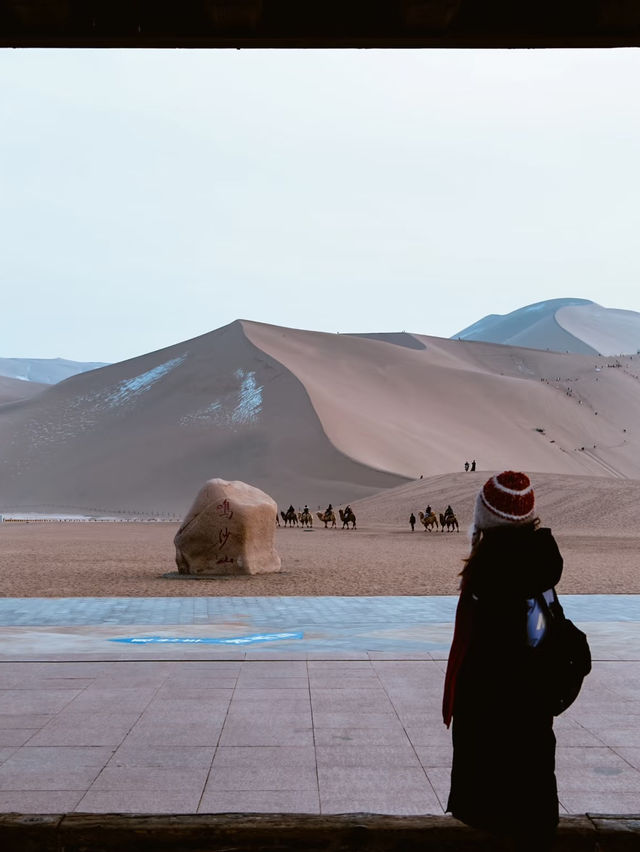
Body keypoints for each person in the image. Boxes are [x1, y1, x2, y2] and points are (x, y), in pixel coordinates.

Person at [442, 471, 563, 851]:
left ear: (486, 519)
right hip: (532, 745)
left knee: (496, 828)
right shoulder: (535, 567)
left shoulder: (496, 579)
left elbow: (494, 676)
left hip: (499, 752)